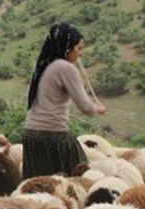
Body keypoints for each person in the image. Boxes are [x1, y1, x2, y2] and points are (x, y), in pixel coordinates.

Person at [22, 22, 106, 180]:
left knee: (37, 185)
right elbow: (85, 107)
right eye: (78, 48)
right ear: (67, 48)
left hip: (31, 135)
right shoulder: (66, 68)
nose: (80, 54)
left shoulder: (42, 65)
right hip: (53, 136)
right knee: (80, 177)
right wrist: (98, 108)